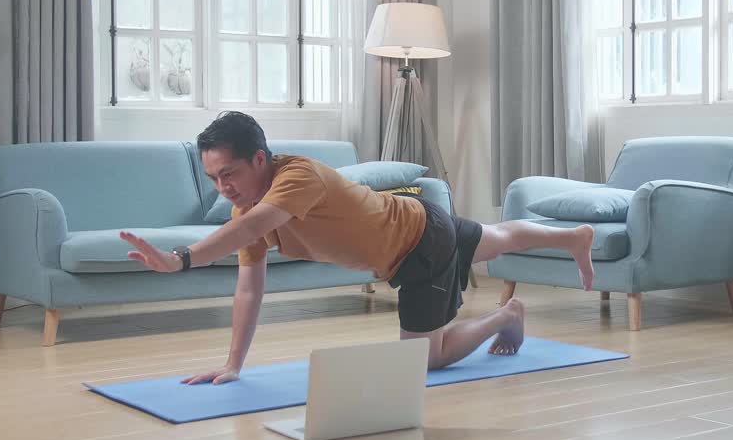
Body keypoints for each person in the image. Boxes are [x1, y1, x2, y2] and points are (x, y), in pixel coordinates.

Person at [120, 112, 595, 385]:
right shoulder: (244, 212)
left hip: (419, 246)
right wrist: (233, 364)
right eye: (213, 178)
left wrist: (181, 259)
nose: (223, 187)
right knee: (499, 239)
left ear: (259, 160)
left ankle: (504, 317)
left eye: (230, 174)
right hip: (417, 219)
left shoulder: (295, 177)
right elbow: (249, 290)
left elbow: (258, 225)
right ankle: (573, 236)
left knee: (424, 361)